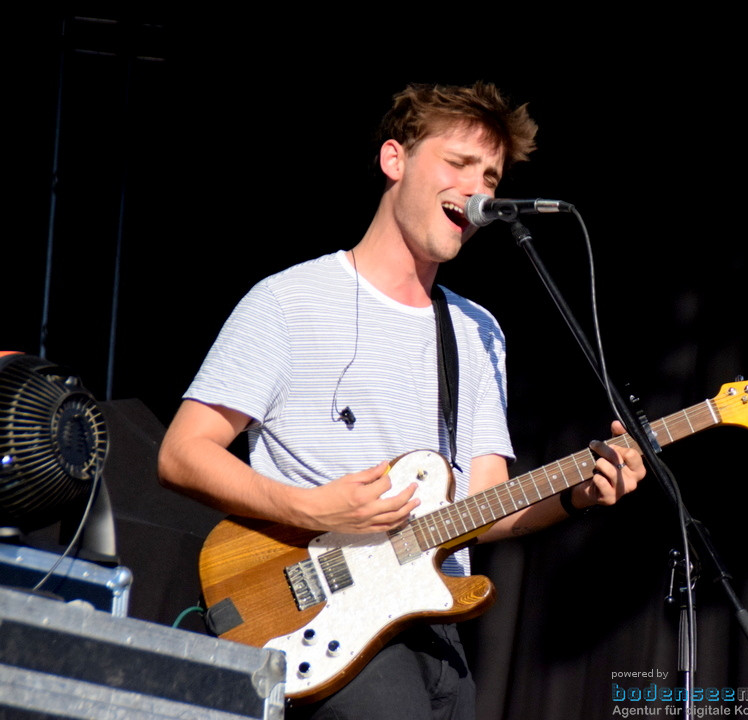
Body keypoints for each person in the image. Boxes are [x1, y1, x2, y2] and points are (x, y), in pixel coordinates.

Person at [158, 81, 645, 720]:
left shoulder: (476, 332)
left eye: (491, 177)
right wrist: (309, 506)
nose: (478, 190)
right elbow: (181, 453)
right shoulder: (288, 302)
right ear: (396, 160)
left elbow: (483, 509)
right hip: (318, 623)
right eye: (459, 164)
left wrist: (577, 492)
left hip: (436, 634)